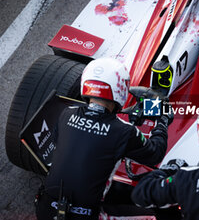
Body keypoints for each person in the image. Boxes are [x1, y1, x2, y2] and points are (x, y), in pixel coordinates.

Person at [35, 57, 172, 220]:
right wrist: (162, 121)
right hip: (86, 216)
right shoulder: (123, 131)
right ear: (119, 88)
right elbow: (155, 154)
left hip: (44, 209)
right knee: (153, 217)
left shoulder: (67, 113)